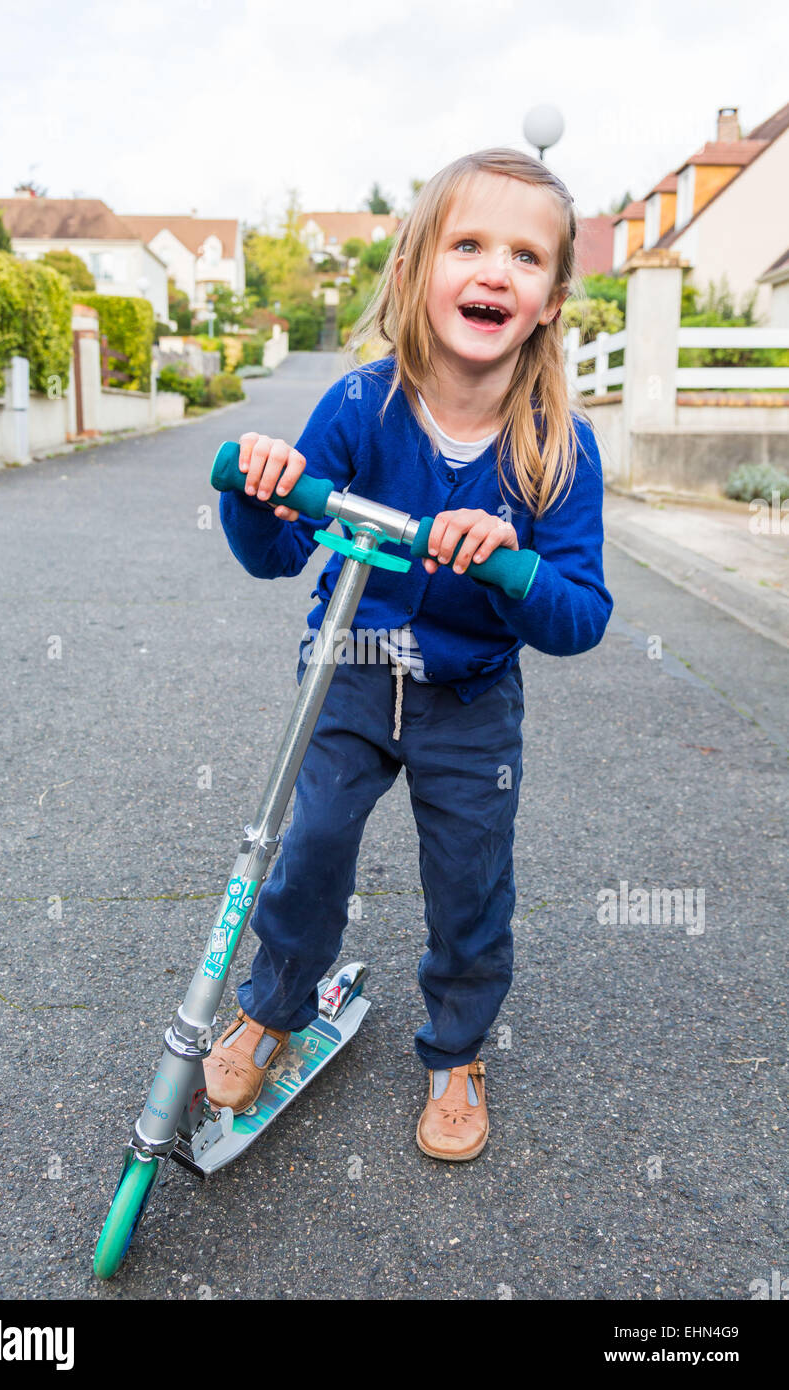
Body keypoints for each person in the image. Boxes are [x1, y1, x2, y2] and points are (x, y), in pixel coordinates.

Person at [203, 147, 613, 1160]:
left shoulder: (555, 446)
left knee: (468, 879)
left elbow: (579, 615)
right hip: (350, 670)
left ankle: (456, 1049)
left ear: (552, 298)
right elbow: (278, 553)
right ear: (415, 269)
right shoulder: (357, 407)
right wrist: (253, 493)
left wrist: (512, 569)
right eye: (466, 244)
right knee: (308, 849)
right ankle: (273, 1004)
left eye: (523, 256)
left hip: (470, 701)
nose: (492, 271)